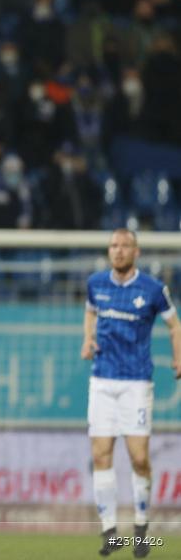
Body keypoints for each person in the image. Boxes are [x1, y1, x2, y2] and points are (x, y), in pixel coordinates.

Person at [81, 229, 181, 558]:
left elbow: (174, 324)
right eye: (113, 245)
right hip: (102, 380)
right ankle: (110, 530)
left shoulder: (152, 289)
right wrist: (87, 338)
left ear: (136, 252)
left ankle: (141, 526)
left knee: (139, 457)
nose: (118, 251)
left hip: (137, 382)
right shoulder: (96, 283)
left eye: (125, 246)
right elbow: (90, 310)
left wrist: (179, 356)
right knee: (100, 455)